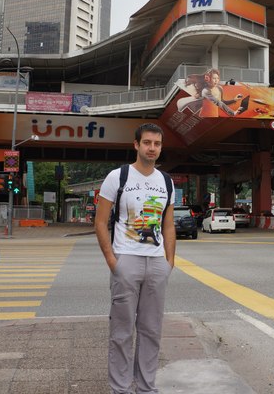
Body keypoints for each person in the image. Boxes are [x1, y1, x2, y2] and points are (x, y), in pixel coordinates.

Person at [95, 123, 176, 394]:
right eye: (147, 143)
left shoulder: (166, 181)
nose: (152, 148)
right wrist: (112, 262)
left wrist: (169, 262)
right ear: (136, 145)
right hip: (126, 260)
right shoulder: (117, 177)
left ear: (161, 147)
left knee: (151, 330)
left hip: (156, 263)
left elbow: (168, 225)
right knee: (122, 332)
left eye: (157, 144)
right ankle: (120, 389)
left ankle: (145, 387)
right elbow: (101, 222)